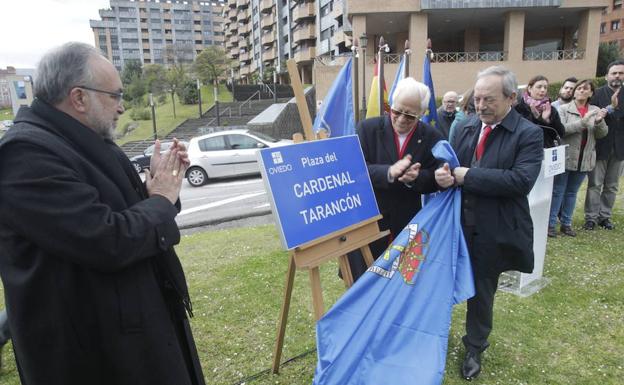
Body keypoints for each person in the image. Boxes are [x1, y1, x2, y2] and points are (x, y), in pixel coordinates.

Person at [0, 42, 204, 385]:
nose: (122, 107)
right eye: (115, 95)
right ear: (79, 98)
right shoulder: (25, 155)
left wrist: (155, 186)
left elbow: (127, 208)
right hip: (96, 355)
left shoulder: (80, 140)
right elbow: (107, 239)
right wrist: (161, 200)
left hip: (132, 331)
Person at [435, 66, 543, 381]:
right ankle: (433, 336)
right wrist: (444, 173)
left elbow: (519, 181)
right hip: (456, 226)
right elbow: (452, 164)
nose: (480, 105)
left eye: (489, 100)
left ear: (511, 97)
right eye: (478, 98)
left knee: (481, 293)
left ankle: (475, 347)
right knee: (440, 284)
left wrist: (465, 176)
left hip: (492, 231)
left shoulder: (528, 134)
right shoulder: (466, 126)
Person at [349, 77, 444, 281]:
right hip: (369, 220)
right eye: (397, 111)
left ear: (421, 113)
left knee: (400, 284)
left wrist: (416, 178)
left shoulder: (432, 136)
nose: (401, 119)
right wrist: (389, 172)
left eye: (410, 116)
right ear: (390, 106)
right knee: (362, 282)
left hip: (407, 223)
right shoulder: (367, 129)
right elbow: (354, 172)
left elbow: (435, 178)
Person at [548, 79, 608, 238]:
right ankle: (551, 224)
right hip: (566, 157)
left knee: (572, 193)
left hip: (585, 158)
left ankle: (566, 224)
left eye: (585, 88)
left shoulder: (595, 110)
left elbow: (602, 134)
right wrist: (583, 122)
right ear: (574, 92)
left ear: (591, 93)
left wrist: (599, 122)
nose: (581, 91)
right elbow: (562, 130)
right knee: (558, 191)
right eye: (579, 88)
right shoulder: (563, 109)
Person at [583, 59, 624, 231]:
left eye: (621, 73)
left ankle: (604, 216)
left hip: (620, 147)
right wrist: (611, 108)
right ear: (607, 75)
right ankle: (591, 217)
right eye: (614, 73)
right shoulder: (597, 94)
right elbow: (594, 117)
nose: (617, 76)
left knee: (612, 185)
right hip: (600, 146)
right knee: (595, 184)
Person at [515, 75, 565, 148]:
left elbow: (560, 133)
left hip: (546, 151)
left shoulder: (551, 109)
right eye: (539, 87)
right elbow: (519, 133)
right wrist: (536, 118)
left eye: (545, 87)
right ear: (529, 88)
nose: (543, 90)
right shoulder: (519, 108)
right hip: (525, 151)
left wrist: (546, 121)